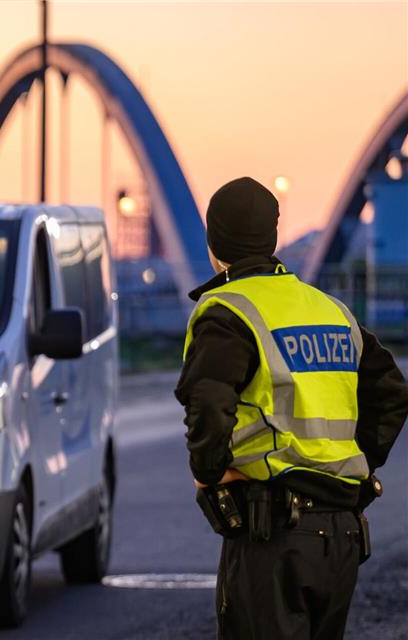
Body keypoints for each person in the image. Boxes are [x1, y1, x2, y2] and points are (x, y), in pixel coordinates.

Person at [175, 177, 408, 640]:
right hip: (340, 535)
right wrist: (352, 466)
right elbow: (392, 392)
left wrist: (209, 475)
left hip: (273, 537)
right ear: (273, 236)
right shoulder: (330, 310)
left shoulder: (228, 311)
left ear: (214, 243)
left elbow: (208, 401)